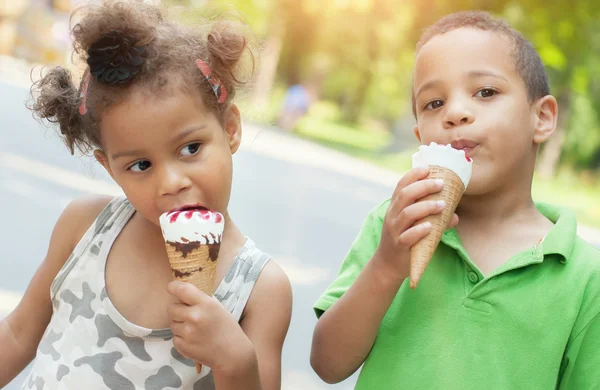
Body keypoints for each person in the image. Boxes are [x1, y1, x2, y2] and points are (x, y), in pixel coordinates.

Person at [0, 1, 292, 389]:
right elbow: (19, 335)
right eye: (140, 165)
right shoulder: (85, 228)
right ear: (110, 169)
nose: (171, 182)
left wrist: (235, 361)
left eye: (190, 148)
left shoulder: (259, 288)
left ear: (231, 128)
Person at [311, 10, 600, 389]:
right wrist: (386, 265)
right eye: (434, 103)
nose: (455, 114)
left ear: (542, 118)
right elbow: (328, 364)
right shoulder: (396, 225)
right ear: (420, 135)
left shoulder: (585, 277)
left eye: (485, 92)